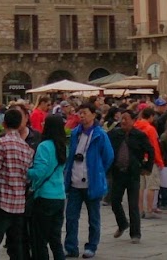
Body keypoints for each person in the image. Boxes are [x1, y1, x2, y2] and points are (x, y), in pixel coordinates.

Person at [0, 108, 33, 260]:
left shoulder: (1, 143)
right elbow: (28, 175)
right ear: (19, 124)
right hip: (19, 202)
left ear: (3, 123)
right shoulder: (26, 148)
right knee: (15, 244)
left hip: (3, 200)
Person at [64, 103, 114, 259]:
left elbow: (108, 156)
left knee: (94, 217)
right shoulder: (74, 133)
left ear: (93, 114)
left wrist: (98, 171)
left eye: (84, 113)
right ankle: (71, 247)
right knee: (71, 217)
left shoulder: (100, 135)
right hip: (74, 181)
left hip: (92, 182)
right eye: (80, 113)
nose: (82, 116)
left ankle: (91, 246)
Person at [106, 109, 154, 244]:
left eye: (126, 119)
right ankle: (122, 223)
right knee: (115, 201)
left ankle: (136, 233)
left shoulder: (139, 135)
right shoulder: (114, 134)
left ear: (133, 121)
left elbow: (151, 150)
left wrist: (147, 168)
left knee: (133, 204)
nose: (123, 121)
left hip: (133, 173)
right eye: (122, 118)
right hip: (117, 173)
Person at [27, 114, 68, 260]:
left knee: (40, 240)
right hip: (59, 196)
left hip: (44, 196)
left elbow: (40, 172)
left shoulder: (44, 146)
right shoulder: (63, 146)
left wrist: (25, 171)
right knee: (55, 239)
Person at [132, 107, 163, 219]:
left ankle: (140, 210)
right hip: (149, 159)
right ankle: (149, 210)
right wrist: (159, 161)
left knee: (141, 186)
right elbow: (154, 147)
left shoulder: (135, 127)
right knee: (151, 185)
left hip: (138, 159)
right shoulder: (150, 129)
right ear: (150, 116)